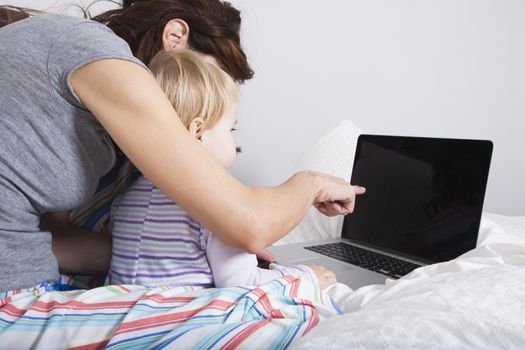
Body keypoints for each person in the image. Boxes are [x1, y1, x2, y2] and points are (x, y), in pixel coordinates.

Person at [0, 0, 364, 295]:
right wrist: (310, 182)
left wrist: (183, 256)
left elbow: (48, 237)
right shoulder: (96, 52)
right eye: (206, 79)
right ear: (174, 36)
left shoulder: (98, 127)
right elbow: (249, 225)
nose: (202, 102)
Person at [107, 49, 337, 290]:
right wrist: (305, 277)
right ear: (198, 132)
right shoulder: (215, 205)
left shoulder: (127, 196)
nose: (235, 141)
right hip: (182, 316)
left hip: (133, 311)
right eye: (231, 129)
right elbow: (242, 284)